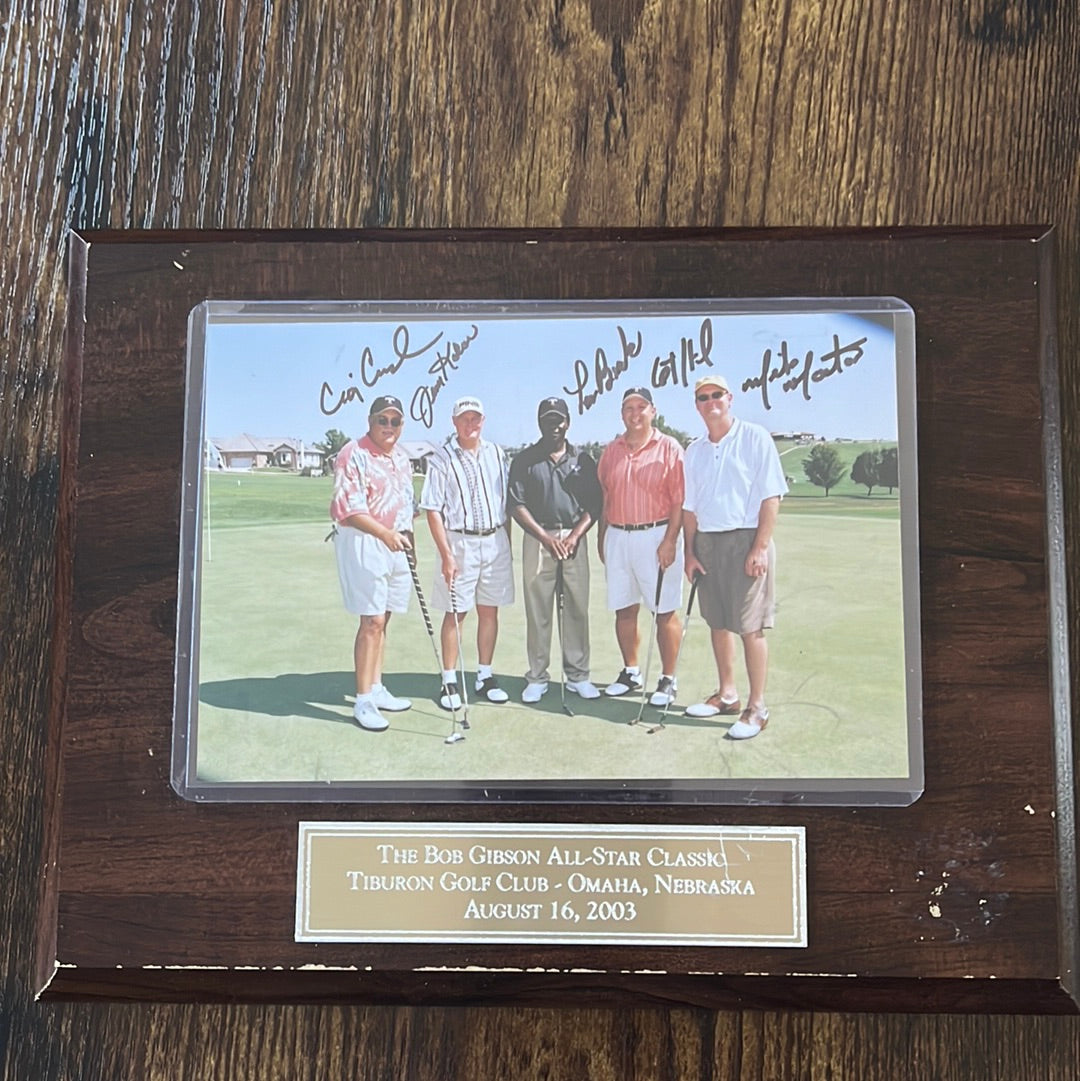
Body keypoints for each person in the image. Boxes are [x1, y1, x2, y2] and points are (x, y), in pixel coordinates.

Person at [682, 374, 788, 739]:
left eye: (716, 395)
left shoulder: (754, 437)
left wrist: (759, 547)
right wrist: (689, 552)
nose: (710, 402)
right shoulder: (693, 450)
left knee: (750, 626)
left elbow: (770, 496)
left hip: (745, 541)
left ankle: (757, 708)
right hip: (708, 542)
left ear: (729, 398)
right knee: (717, 622)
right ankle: (727, 694)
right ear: (696, 405)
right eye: (702, 397)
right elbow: (690, 508)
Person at [419, 395, 514, 709]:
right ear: (454, 422)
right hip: (460, 542)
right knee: (456, 612)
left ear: (483, 421)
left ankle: (484, 676)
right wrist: (446, 555)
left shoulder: (497, 454)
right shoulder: (442, 458)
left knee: (490, 610)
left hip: (495, 540)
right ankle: (448, 681)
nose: (470, 424)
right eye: (464, 419)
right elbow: (432, 510)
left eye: (475, 418)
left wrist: (507, 544)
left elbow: (505, 504)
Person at [507, 397, 603, 703]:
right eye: (548, 421)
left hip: (574, 538)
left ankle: (578, 675)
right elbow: (516, 505)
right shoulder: (525, 460)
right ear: (539, 423)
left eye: (559, 420)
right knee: (539, 609)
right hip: (538, 537)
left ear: (568, 422)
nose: (554, 426)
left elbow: (594, 505)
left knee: (576, 606)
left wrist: (574, 535)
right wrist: (546, 538)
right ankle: (537, 676)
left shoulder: (583, 459)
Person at [329, 395, 415, 732]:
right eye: (383, 420)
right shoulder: (353, 452)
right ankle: (363, 699)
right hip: (365, 540)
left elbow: (407, 506)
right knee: (372, 620)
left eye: (395, 421)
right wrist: (384, 534)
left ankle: (377, 687)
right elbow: (348, 509)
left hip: (395, 542)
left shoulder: (403, 459)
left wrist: (409, 543)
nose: (389, 427)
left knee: (385, 617)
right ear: (370, 421)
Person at [596, 386, 685, 706]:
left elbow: (678, 500)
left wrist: (671, 540)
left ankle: (668, 678)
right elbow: (606, 497)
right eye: (628, 408)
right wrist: (602, 537)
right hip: (618, 535)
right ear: (622, 414)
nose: (635, 413)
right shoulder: (611, 450)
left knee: (664, 611)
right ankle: (631, 671)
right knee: (624, 608)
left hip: (657, 535)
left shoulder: (670, 448)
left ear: (653, 411)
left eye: (641, 407)